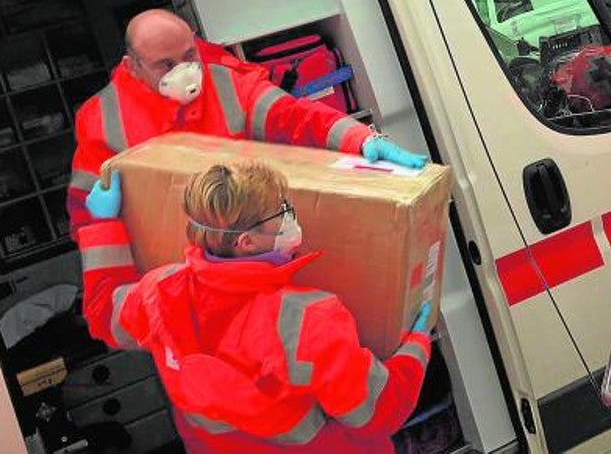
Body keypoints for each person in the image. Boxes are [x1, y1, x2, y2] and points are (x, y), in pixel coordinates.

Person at [77, 161, 432, 453]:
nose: (290, 217)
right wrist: (416, 345)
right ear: (247, 242)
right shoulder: (307, 320)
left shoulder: (160, 291)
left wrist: (102, 225)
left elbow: (105, 315)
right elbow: (378, 412)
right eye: (281, 212)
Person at [69, 9, 427, 235]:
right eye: (165, 64)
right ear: (133, 66)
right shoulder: (102, 120)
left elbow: (295, 116)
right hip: (188, 264)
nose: (184, 70)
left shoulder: (228, 82)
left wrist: (360, 139)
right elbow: (84, 211)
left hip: (261, 238)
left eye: (190, 54)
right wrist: (99, 218)